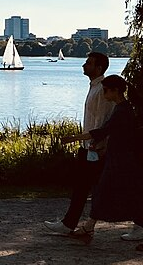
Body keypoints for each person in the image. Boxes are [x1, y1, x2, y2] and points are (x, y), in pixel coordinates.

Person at [61, 74, 143, 242]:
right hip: (119, 157)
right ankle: (90, 226)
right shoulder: (123, 109)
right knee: (114, 191)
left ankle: (91, 227)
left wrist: (73, 138)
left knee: (110, 191)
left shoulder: (122, 110)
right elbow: (115, 133)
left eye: (106, 90)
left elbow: (103, 130)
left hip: (121, 160)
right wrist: (102, 146)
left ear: (115, 91)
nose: (104, 94)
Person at [44, 52, 115, 235]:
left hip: (94, 148)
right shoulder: (94, 87)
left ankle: (76, 225)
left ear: (98, 68)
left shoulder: (101, 90)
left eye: (88, 63)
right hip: (89, 146)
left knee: (96, 188)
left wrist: (96, 144)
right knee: (83, 187)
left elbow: (101, 120)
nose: (84, 65)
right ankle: (72, 224)